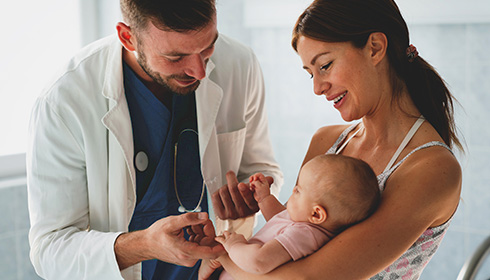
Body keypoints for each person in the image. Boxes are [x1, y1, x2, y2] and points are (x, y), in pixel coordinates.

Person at [202, 0, 463, 279]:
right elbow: (291, 232)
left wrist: (224, 258)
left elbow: (305, 277)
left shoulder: (431, 168)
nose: (317, 88)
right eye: (310, 73)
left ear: (375, 47)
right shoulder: (326, 141)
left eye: (324, 65)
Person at [26, 0, 283, 279]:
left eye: (208, 48)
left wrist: (254, 195)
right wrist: (144, 245)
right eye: (175, 57)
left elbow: (264, 169)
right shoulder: (64, 100)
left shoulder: (240, 64)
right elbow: (50, 250)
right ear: (128, 37)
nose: (199, 71)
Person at [201, 154, 380, 279]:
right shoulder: (304, 225)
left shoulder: (305, 235)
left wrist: (233, 246)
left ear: (316, 214)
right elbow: (279, 219)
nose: (293, 190)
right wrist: (264, 198)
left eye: (299, 190)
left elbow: (258, 262)